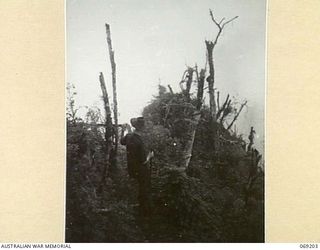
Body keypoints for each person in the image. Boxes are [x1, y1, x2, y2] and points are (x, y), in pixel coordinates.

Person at [120, 117, 153, 217]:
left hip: (131, 169)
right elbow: (143, 161)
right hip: (141, 170)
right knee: (144, 190)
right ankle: (144, 212)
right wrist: (150, 156)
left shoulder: (129, 136)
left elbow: (121, 142)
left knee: (138, 189)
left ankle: (138, 208)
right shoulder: (139, 141)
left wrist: (123, 131)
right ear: (142, 128)